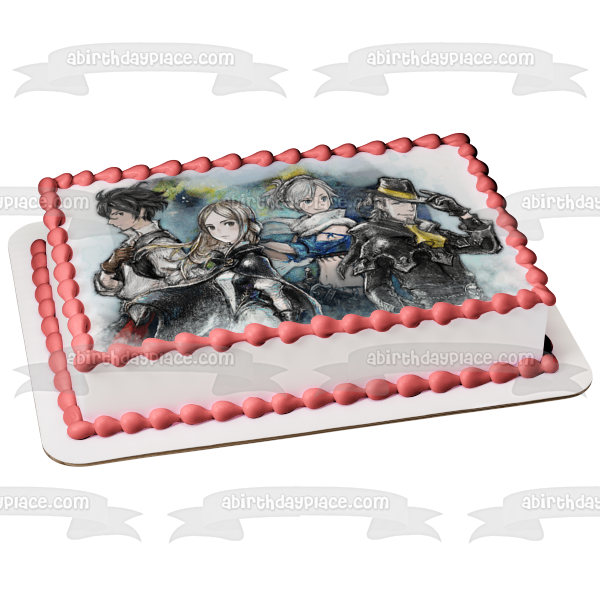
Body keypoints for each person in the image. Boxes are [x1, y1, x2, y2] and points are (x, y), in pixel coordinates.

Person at [129, 200, 322, 339]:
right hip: (225, 317)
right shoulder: (219, 260)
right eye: (211, 227)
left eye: (228, 224)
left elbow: (275, 292)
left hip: (255, 315)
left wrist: (288, 321)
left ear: (244, 223)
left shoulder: (252, 259)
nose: (219, 232)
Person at [337, 177, 502, 311]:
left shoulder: (433, 233)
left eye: (412, 203)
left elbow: (487, 247)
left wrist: (461, 213)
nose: (409, 209)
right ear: (381, 205)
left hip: (478, 303)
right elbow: (376, 289)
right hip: (435, 313)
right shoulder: (378, 243)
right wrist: (403, 312)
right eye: (398, 203)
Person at [93, 182, 181, 344]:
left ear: (140, 211)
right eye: (111, 216)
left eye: (118, 214)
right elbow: (110, 288)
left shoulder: (162, 244)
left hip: (156, 320)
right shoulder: (129, 244)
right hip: (133, 317)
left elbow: (183, 283)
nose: (111, 221)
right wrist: (110, 267)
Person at [260, 174, 363, 307]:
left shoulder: (337, 226)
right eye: (308, 201)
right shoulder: (307, 227)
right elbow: (293, 256)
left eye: (323, 198)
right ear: (292, 204)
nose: (318, 204)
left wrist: (263, 243)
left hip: (349, 284)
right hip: (327, 286)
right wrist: (259, 249)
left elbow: (301, 249)